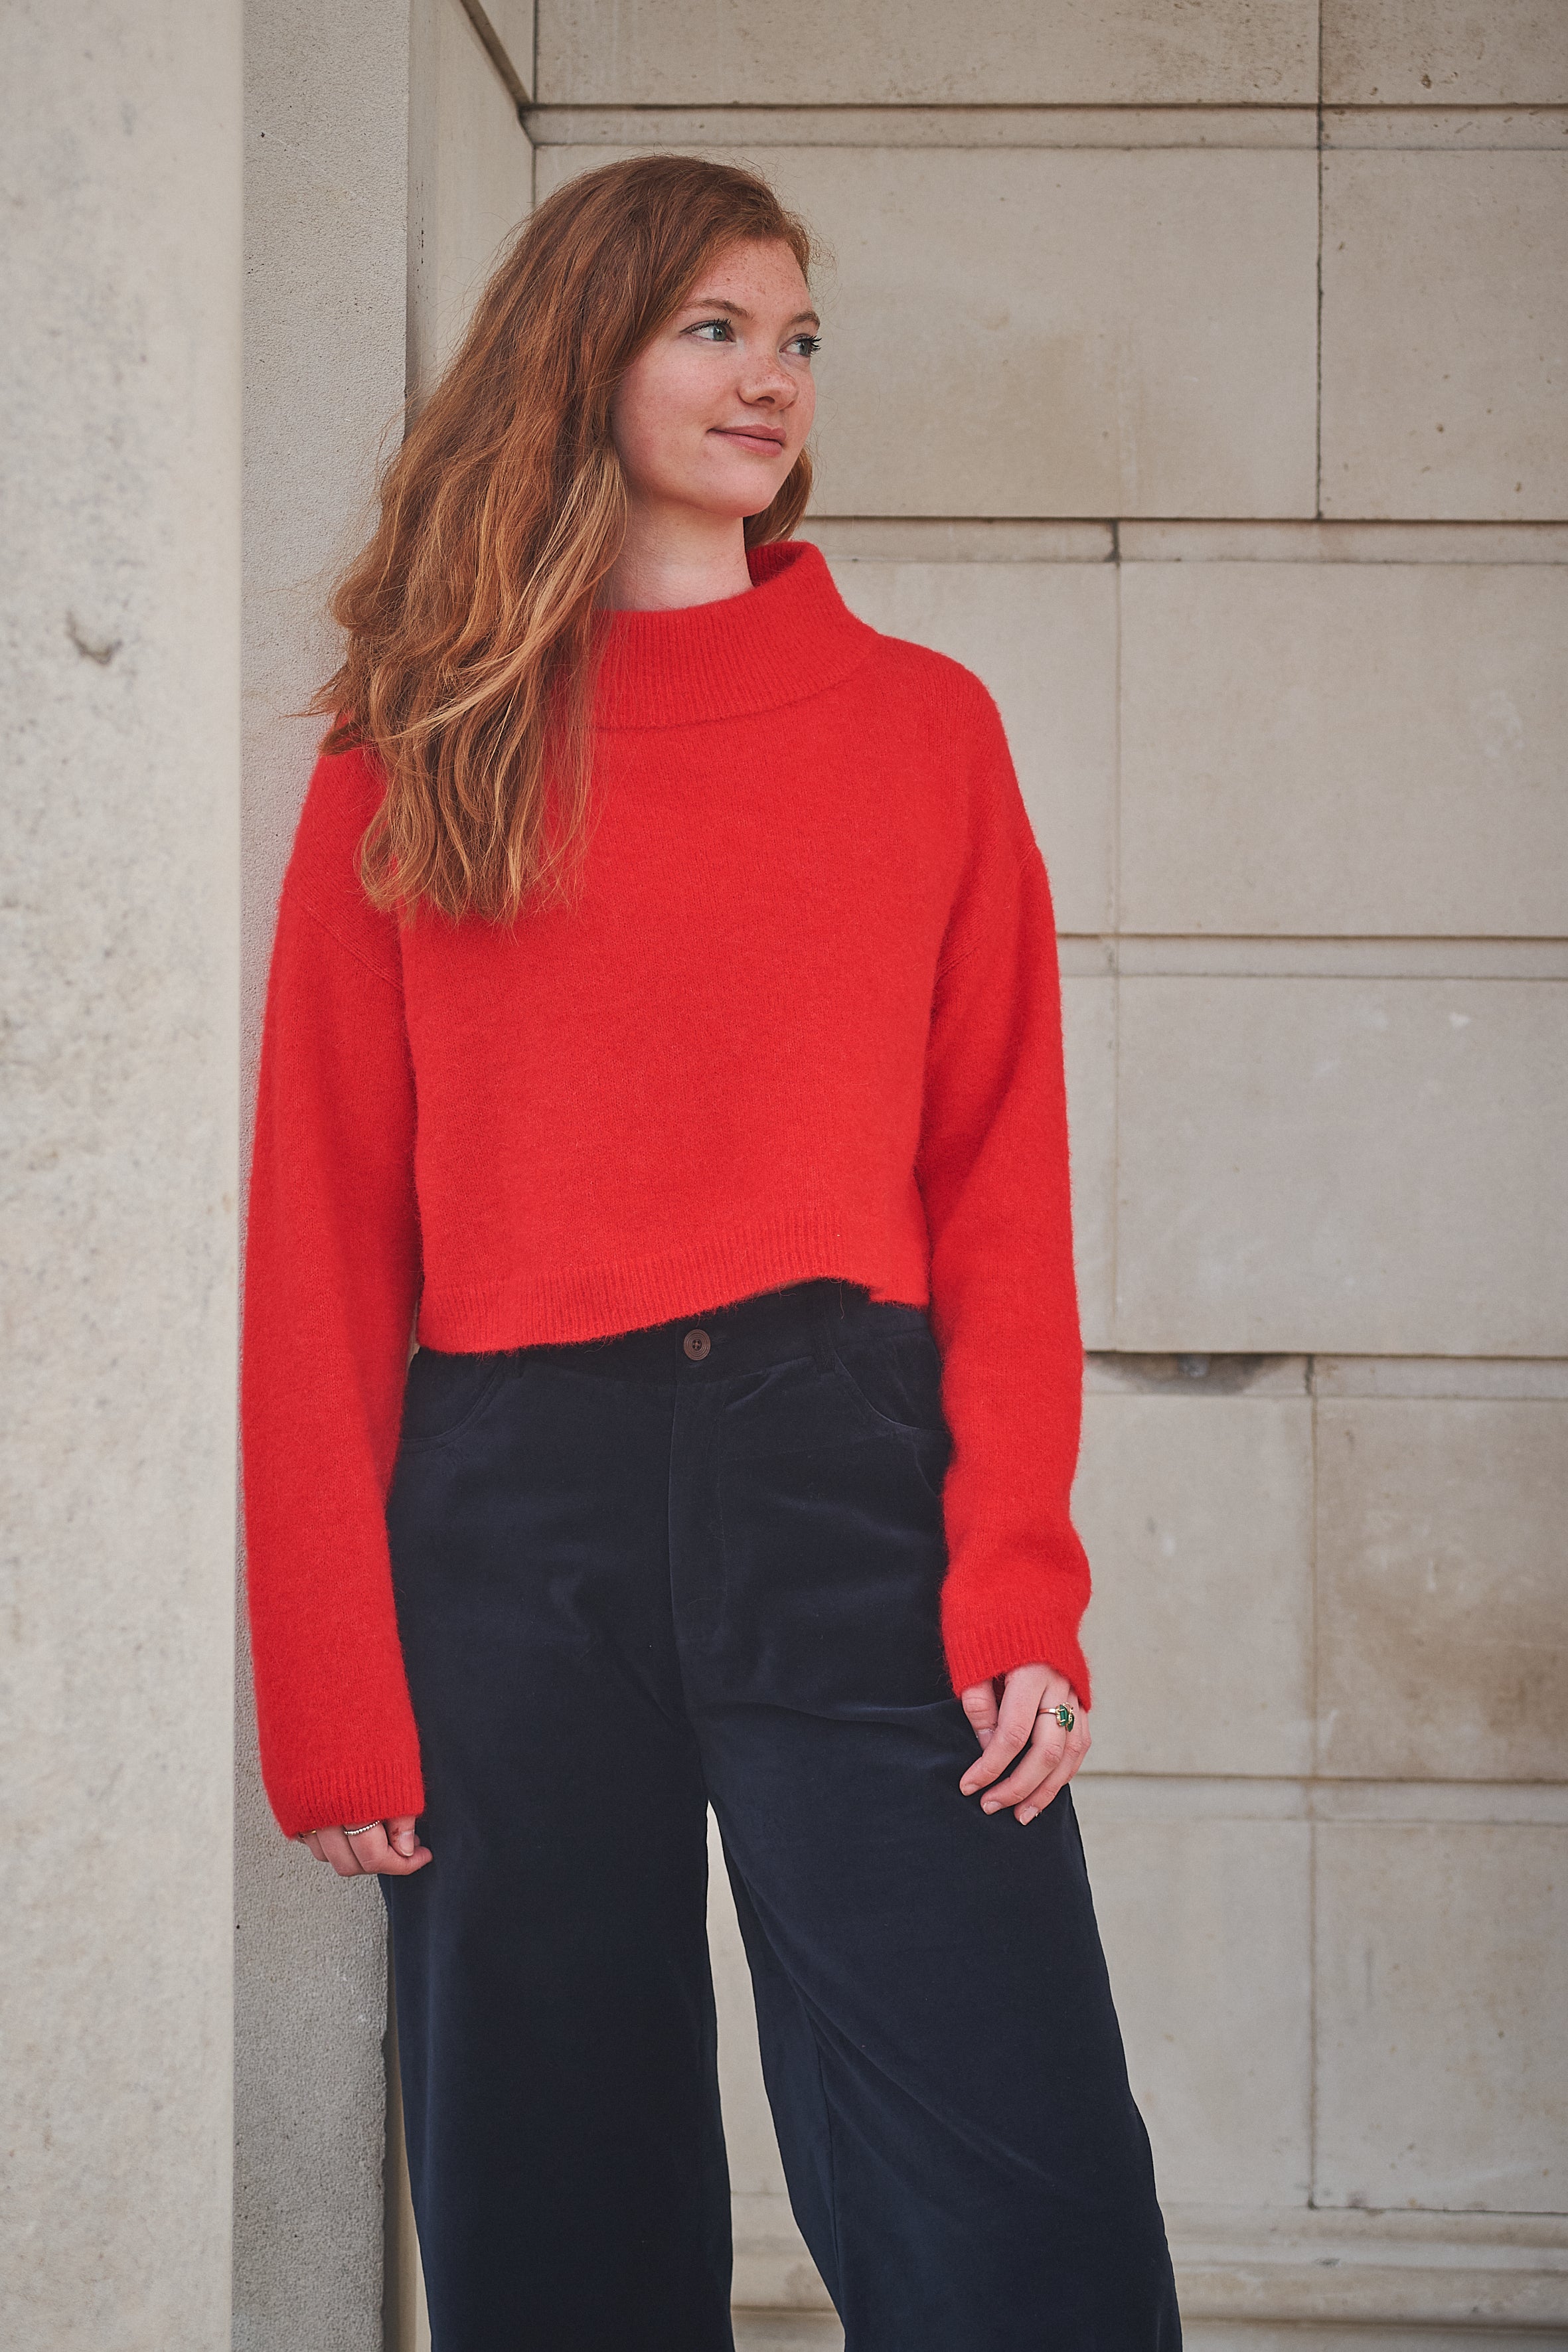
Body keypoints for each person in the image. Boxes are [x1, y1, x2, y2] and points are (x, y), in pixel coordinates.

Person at [242, 153, 1179, 2352]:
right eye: (714, 328)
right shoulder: (417, 753)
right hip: (506, 1508)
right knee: (544, 2177)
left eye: (797, 337)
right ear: (589, 355)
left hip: (840, 1468)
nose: (770, 378)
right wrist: (331, 1688)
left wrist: (1016, 1574)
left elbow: (996, 1185)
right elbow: (322, 1230)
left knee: (1008, 2159)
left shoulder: (920, 732)